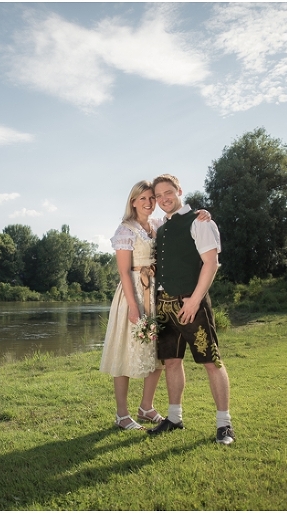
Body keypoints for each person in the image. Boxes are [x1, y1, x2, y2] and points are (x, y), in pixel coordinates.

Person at [100, 180, 210, 430]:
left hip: (157, 293)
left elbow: (183, 224)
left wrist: (201, 213)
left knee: (158, 352)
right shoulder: (125, 230)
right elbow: (124, 272)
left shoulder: (159, 225)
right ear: (133, 202)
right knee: (124, 353)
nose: (149, 202)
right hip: (133, 294)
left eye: (152, 198)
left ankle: (146, 407)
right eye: (143, 198)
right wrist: (133, 306)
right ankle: (122, 414)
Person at [147, 173, 235, 445]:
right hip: (164, 305)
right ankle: (174, 418)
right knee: (172, 362)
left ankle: (224, 425)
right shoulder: (162, 228)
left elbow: (211, 263)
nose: (164, 199)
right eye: (158, 196)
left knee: (211, 361)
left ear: (179, 191)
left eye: (168, 192)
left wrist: (195, 300)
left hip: (191, 302)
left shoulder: (199, 221)